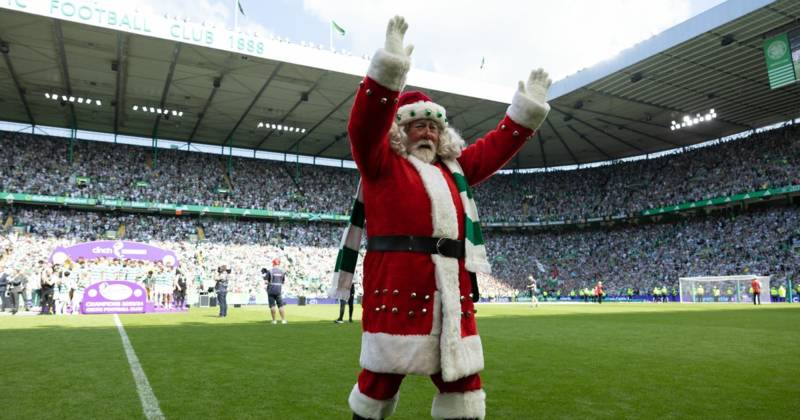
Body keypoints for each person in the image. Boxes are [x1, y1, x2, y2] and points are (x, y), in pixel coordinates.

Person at [334, 16, 551, 420]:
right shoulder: (380, 163)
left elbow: (495, 147)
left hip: (451, 291)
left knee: (463, 383)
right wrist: (388, 73)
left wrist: (525, 114)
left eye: (434, 127)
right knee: (379, 381)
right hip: (399, 285)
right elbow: (363, 125)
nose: (427, 134)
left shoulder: (455, 169)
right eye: (417, 125)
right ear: (399, 130)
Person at [264, 258, 287, 324]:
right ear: (279, 264)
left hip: (271, 290)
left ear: (273, 263)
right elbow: (283, 282)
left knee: (272, 306)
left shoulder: (270, 271)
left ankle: (274, 320)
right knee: (280, 306)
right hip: (278, 290)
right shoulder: (282, 272)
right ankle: (283, 320)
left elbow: (266, 282)